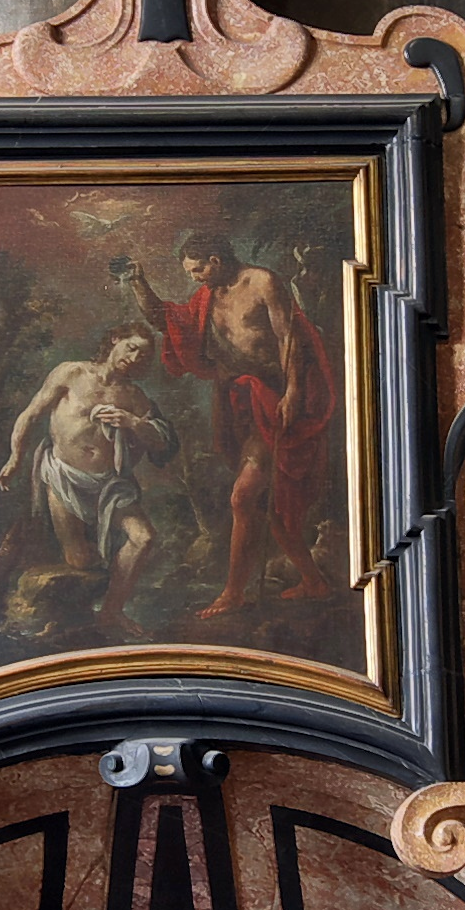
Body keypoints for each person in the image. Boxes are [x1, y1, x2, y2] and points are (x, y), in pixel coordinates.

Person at [116, 230, 339, 619]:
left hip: (278, 397)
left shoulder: (262, 281)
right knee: (257, 501)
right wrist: (138, 281)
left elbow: (290, 338)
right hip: (245, 402)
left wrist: (292, 392)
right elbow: (166, 321)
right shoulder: (208, 297)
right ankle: (311, 581)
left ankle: (236, 591)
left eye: (198, 269)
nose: (195, 278)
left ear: (216, 261)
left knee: (247, 498)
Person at [0, 320, 178, 632]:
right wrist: (14, 458)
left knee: (144, 538)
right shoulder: (71, 373)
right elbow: (31, 413)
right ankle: (79, 615)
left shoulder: (133, 396)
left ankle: (112, 611)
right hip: (63, 477)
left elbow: (161, 442)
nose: (134, 358)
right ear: (114, 339)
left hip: (111, 486)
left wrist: (131, 422)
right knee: (79, 560)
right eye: (131, 348)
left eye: (143, 356)